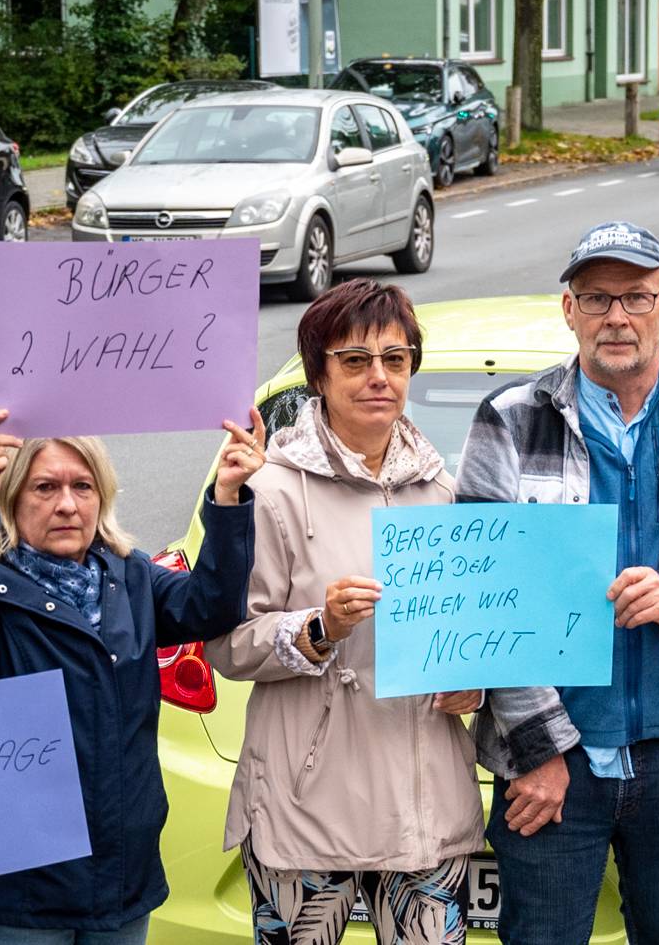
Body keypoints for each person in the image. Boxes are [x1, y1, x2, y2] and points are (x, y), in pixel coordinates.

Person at [459, 221, 659, 945]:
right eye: (595, 298)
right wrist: (541, 749)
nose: (615, 317)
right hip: (550, 761)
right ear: (568, 310)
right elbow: (484, 592)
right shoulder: (509, 420)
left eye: (634, 296)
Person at [205, 279, 485, 945]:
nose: (378, 376)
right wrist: (317, 627)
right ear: (318, 376)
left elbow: (472, 634)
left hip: (424, 806)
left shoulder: (447, 492)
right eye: (355, 360)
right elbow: (226, 644)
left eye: (395, 358)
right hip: (306, 807)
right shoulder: (267, 490)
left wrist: (473, 680)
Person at [0, 409, 262, 944]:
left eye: (82, 486)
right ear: (12, 498)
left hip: (120, 876)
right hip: (19, 892)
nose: (66, 503)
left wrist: (226, 495)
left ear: (101, 496)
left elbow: (212, 607)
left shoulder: (129, 577)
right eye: (44, 487)